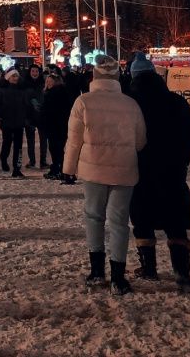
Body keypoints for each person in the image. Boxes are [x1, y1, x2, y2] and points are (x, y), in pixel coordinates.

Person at [63, 54, 146, 295]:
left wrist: (68, 169)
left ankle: (97, 272)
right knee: (119, 223)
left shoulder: (84, 102)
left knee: (94, 217)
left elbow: (74, 139)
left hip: (93, 168)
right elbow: (141, 142)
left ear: (95, 76)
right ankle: (118, 278)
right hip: (124, 169)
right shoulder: (130, 104)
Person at [127, 62, 190, 293]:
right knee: (175, 221)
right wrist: (182, 157)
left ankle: (149, 267)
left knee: (142, 219)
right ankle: (182, 273)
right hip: (172, 170)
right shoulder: (176, 102)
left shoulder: (131, 105)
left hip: (141, 170)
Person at [0, 70, 34, 178]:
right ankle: (3, 159)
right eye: (13, 76)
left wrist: (27, 117)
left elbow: (27, 105)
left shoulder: (22, 90)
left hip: (19, 122)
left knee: (18, 147)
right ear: (8, 77)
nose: (15, 78)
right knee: (7, 143)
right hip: (6, 121)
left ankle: (17, 168)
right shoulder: (1, 89)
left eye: (17, 76)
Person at [39, 73, 76, 182]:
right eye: (47, 81)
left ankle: (60, 170)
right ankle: (59, 169)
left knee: (56, 149)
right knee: (57, 149)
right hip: (58, 125)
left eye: (50, 81)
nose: (48, 83)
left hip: (56, 125)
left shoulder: (54, 94)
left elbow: (50, 111)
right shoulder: (58, 92)